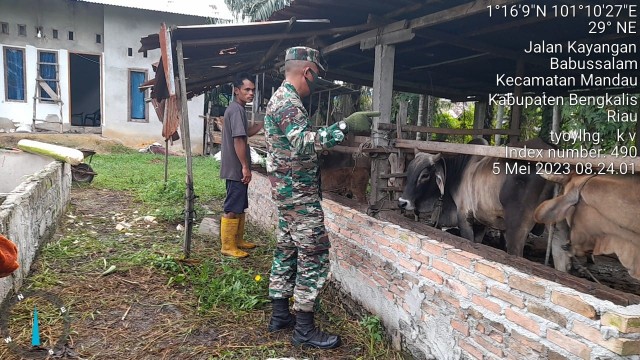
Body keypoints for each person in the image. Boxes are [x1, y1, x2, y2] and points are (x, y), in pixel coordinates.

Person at [264, 46, 348, 349]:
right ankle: (304, 329)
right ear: (307, 72)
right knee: (313, 256)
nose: (316, 82)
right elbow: (303, 142)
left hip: (288, 194)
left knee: (286, 250)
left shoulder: (281, 98)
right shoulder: (288, 102)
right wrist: (344, 128)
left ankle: (280, 316)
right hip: (298, 197)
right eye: (317, 76)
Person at [219, 72, 263, 258]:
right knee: (231, 206)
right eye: (247, 89)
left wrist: (261, 124)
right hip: (235, 167)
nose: (251, 93)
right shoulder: (236, 110)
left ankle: (237, 240)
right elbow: (239, 140)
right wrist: (244, 166)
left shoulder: (237, 109)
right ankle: (227, 246)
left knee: (239, 205)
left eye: (253, 90)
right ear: (237, 91)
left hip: (236, 166)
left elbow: (245, 133)